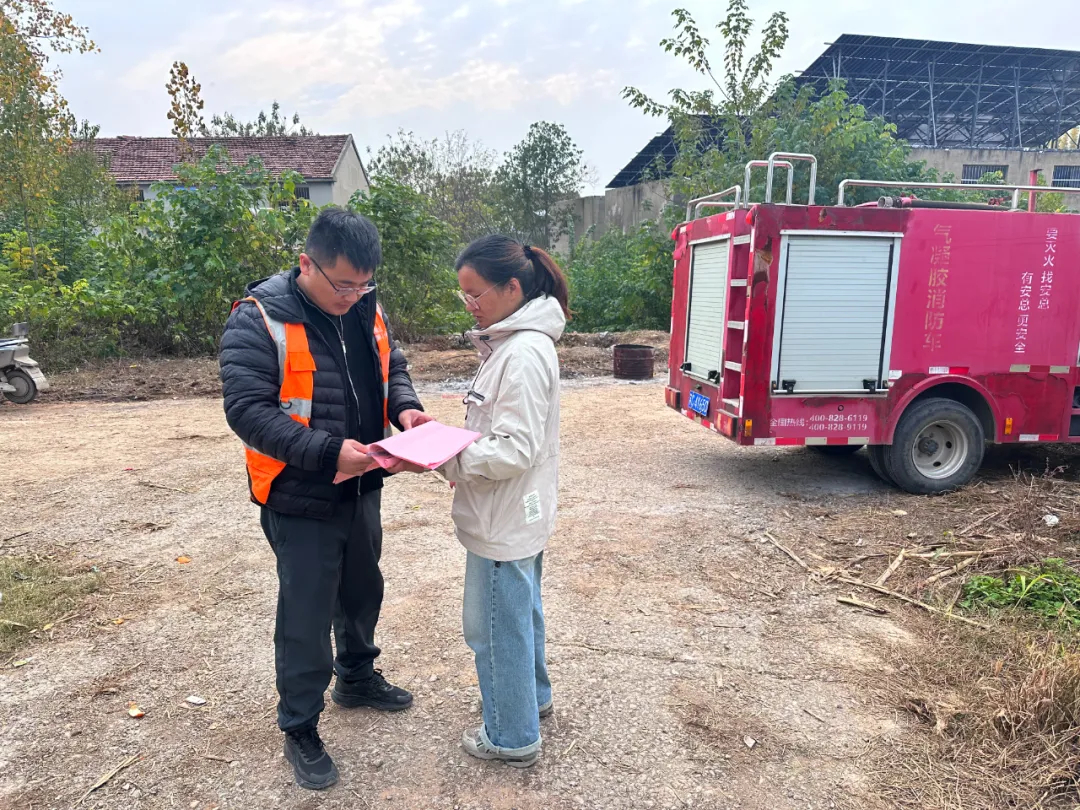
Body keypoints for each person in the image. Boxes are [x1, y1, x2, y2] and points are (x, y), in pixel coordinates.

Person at [219, 207, 433, 790]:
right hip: (299, 495)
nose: (354, 295)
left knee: (363, 589)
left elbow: (393, 367)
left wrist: (405, 410)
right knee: (306, 614)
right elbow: (248, 412)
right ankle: (300, 726)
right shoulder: (260, 319)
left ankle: (357, 678)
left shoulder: (364, 305)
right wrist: (327, 452)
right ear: (306, 263)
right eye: (343, 284)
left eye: (364, 284)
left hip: (362, 480)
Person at [438, 234, 569, 768]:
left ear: (512, 287)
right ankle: (529, 699)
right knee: (518, 613)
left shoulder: (523, 353)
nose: (470, 305)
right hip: (515, 510)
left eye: (476, 294)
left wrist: (446, 458)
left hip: (504, 515)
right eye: (464, 295)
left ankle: (512, 735)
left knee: (493, 627)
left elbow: (513, 448)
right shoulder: (514, 344)